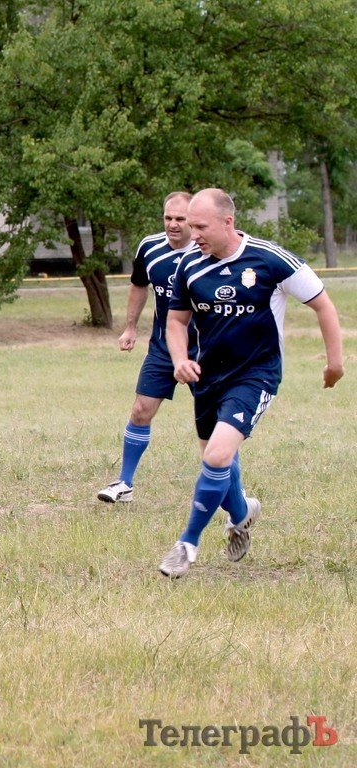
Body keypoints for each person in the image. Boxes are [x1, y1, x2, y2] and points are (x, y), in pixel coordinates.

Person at [159, 189, 344, 578]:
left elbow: (323, 304)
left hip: (256, 373)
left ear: (228, 222)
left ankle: (186, 544)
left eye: (200, 226)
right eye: (190, 226)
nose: (193, 235)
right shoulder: (189, 265)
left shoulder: (270, 259)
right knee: (217, 458)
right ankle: (242, 514)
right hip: (208, 376)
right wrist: (179, 359)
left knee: (216, 457)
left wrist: (335, 362)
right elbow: (175, 321)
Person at [98, 191, 198, 504]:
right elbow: (139, 285)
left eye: (180, 219)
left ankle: (234, 491)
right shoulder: (150, 247)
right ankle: (124, 483)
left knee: (215, 425)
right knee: (141, 411)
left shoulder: (210, 251)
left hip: (206, 350)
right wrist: (130, 327)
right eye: (168, 218)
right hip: (162, 346)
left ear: (193, 221)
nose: (173, 224)